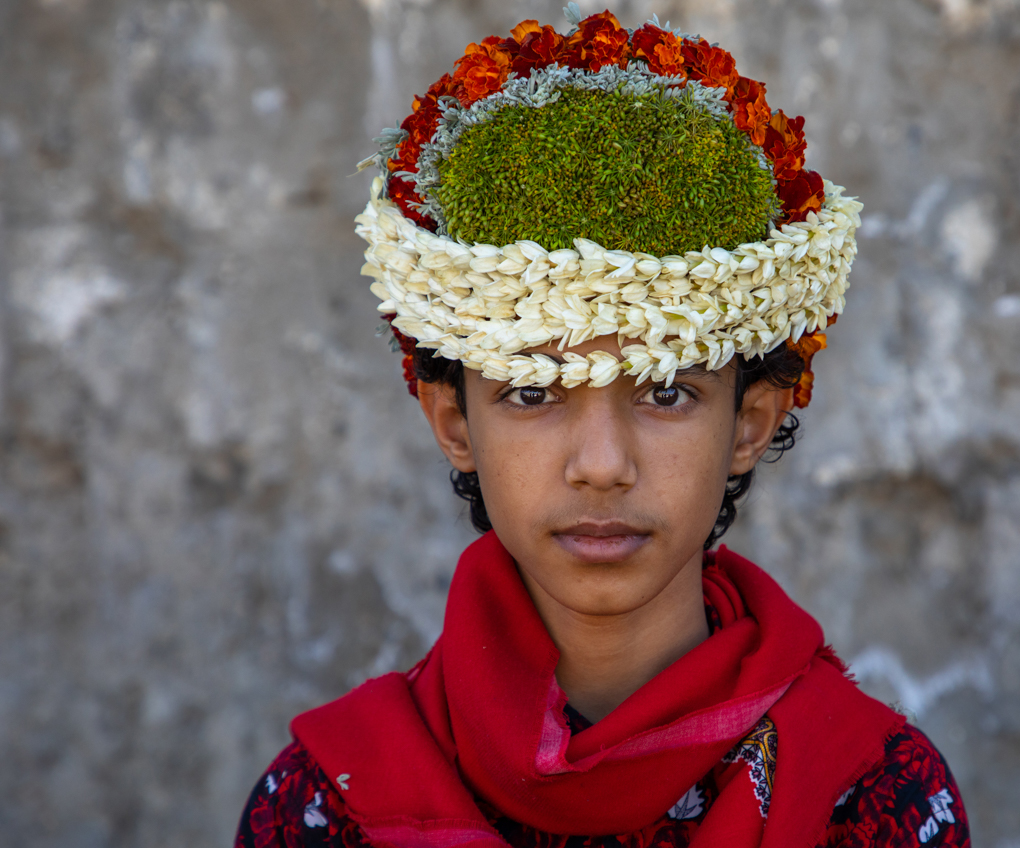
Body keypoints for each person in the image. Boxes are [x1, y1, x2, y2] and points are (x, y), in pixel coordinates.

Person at [235, 7, 970, 847]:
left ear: (750, 423)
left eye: (664, 393)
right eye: (534, 392)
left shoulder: (872, 799)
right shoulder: (327, 807)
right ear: (453, 421)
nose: (601, 465)